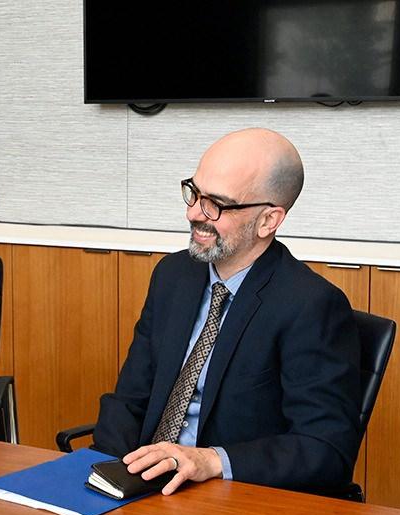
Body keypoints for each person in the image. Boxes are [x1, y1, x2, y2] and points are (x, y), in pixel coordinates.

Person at [92, 128, 360, 495]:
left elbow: (325, 449)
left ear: (268, 220)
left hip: (228, 496)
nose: (193, 213)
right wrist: (102, 476)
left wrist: (211, 460)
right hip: (146, 486)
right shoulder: (173, 275)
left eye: (216, 204)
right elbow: (130, 399)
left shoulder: (310, 304)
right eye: (194, 193)